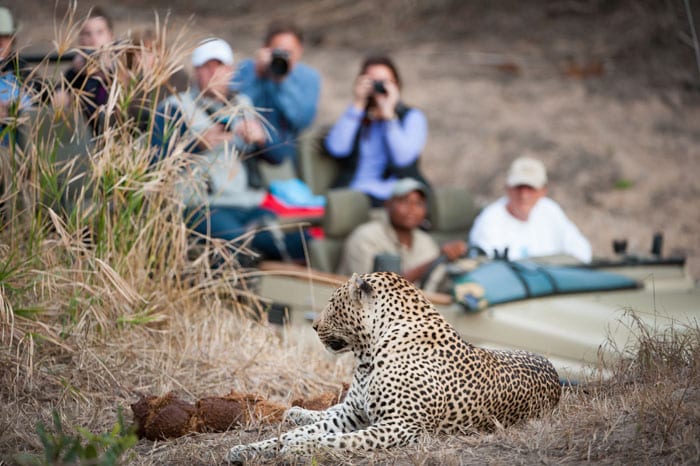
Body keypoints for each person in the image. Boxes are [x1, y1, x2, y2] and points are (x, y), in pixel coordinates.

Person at [152, 38, 308, 262]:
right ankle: (240, 295)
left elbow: (280, 156)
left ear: (232, 71)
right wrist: (196, 145)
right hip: (203, 206)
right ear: (196, 71)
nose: (214, 74)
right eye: (207, 67)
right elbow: (156, 163)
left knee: (300, 241)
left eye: (221, 67)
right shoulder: (174, 107)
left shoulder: (242, 104)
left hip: (247, 203)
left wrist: (262, 138)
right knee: (237, 244)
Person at [324, 55, 428, 207]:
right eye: (373, 82)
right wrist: (358, 103)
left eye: (385, 82)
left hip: (396, 195)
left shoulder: (412, 117)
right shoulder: (357, 116)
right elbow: (336, 148)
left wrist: (389, 116)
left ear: (397, 85)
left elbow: (403, 159)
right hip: (355, 193)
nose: (379, 87)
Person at [229, 19, 320, 172]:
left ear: (300, 50)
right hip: (243, 146)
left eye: (288, 52)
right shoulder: (247, 69)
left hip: (283, 152)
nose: (283, 57)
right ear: (265, 49)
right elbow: (231, 109)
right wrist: (257, 75)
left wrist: (282, 83)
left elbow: (302, 121)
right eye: (278, 51)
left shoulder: (309, 78)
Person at [337, 178, 467, 284]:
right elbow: (377, 293)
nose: (412, 209)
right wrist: (433, 261)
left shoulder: (425, 241)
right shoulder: (365, 237)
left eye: (419, 203)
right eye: (405, 201)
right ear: (388, 204)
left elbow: (436, 284)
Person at [469, 156, 592, 263]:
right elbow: (486, 267)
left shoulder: (550, 211)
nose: (524, 195)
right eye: (519, 187)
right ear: (508, 188)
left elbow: (581, 251)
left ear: (543, 191)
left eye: (531, 188)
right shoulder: (490, 220)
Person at [62, 7, 115, 133]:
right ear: (80, 40)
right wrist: (79, 74)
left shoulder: (122, 68)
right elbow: (59, 101)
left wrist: (108, 71)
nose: (94, 39)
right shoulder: (74, 75)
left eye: (100, 32)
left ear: (111, 36)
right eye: (87, 34)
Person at [0, 6, 32, 147]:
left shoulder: (21, 69)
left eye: (5, 37)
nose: (0, 42)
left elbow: (47, 94)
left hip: (19, 152)